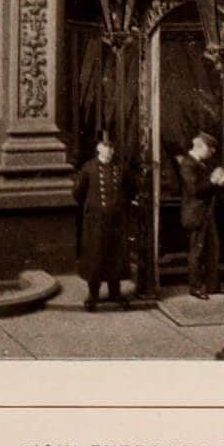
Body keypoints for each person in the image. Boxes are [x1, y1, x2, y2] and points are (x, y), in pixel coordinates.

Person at [71, 131, 133, 311]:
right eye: (105, 147)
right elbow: (78, 193)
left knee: (116, 257)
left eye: (111, 147)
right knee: (96, 257)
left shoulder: (120, 168)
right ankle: (93, 294)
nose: (108, 151)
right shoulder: (89, 169)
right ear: (98, 148)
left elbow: (130, 189)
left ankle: (115, 292)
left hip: (116, 221)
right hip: (96, 222)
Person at [177, 130, 224, 299]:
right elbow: (196, 190)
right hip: (196, 215)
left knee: (213, 249)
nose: (212, 152)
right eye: (209, 148)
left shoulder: (201, 164)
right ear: (199, 146)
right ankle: (195, 287)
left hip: (206, 214)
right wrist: (215, 181)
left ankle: (212, 285)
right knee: (197, 251)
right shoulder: (188, 164)